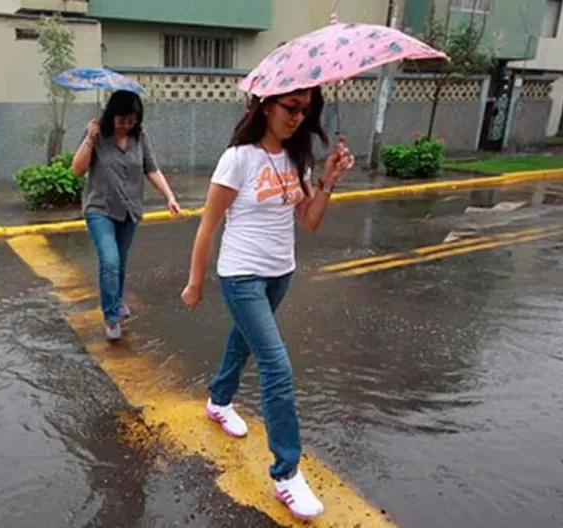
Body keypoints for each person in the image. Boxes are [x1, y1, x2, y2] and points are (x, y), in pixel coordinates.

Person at [180, 86, 354, 520]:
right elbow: (208, 226)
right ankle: (287, 474)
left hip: (281, 273)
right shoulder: (238, 158)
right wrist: (195, 282)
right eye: (291, 108)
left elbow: (309, 221)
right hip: (241, 275)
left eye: (306, 111)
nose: (298, 118)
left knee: (243, 342)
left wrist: (329, 181)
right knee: (276, 365)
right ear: (266, 105)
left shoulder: (298, 158)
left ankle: (219, 400)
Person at [72, 90, 180, 341]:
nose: (126, 126)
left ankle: (117, 303)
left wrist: (169, 196)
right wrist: (90, 137)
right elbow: (77, 169)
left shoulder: (140, 137)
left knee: (119, 262)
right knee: (109, 262)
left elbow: (151, 169)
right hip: (100, 209)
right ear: (112, 116)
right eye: (121, 120)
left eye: (131, 120)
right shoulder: (97, 134)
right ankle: (111, 317)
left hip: (130, 210)